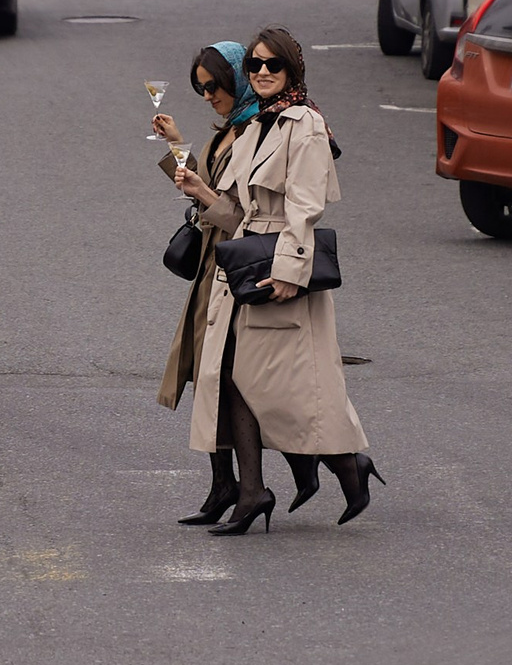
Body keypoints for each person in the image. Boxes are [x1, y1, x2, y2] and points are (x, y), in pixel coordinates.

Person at [174, 26, 380, 533]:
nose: (262, 73)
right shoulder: (258, 125)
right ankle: (255, 491)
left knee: (294, 388)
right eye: (256, 66)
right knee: (242, 380)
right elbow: (238, 210)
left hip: (279, 268)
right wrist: (199, 186)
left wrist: (290, 270)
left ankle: (344, 467)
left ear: (292, 71)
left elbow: (305, 205)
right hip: (246, 264)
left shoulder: (303, 124)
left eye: (273, 65)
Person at [152, 42, 263, 525]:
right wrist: (175, 143)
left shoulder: (258, 132)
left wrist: (202, 194)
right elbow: (205, 184)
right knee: (205, 375)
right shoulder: (229, 132)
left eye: (213, 85)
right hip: (212, 272)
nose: (206, 95)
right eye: (200, 88)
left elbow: (248, 214)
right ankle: (225, 485)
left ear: (237, 78)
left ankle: (339, 464)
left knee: (234, 381)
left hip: (236, 272)